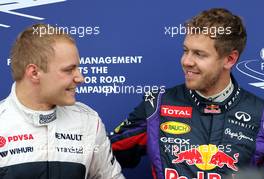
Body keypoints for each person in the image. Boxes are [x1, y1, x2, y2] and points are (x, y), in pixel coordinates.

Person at [110, 8, 264, 179]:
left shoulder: (260, 114)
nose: (186, 61)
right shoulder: (157, 105)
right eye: (186, 50)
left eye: (199, 54)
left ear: (229, 59)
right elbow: (102, 155)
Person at [0, 24, 125, 179]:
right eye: (68, 70)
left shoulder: (88, 121)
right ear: (34, 73)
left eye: (78, 68)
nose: (80, 78)